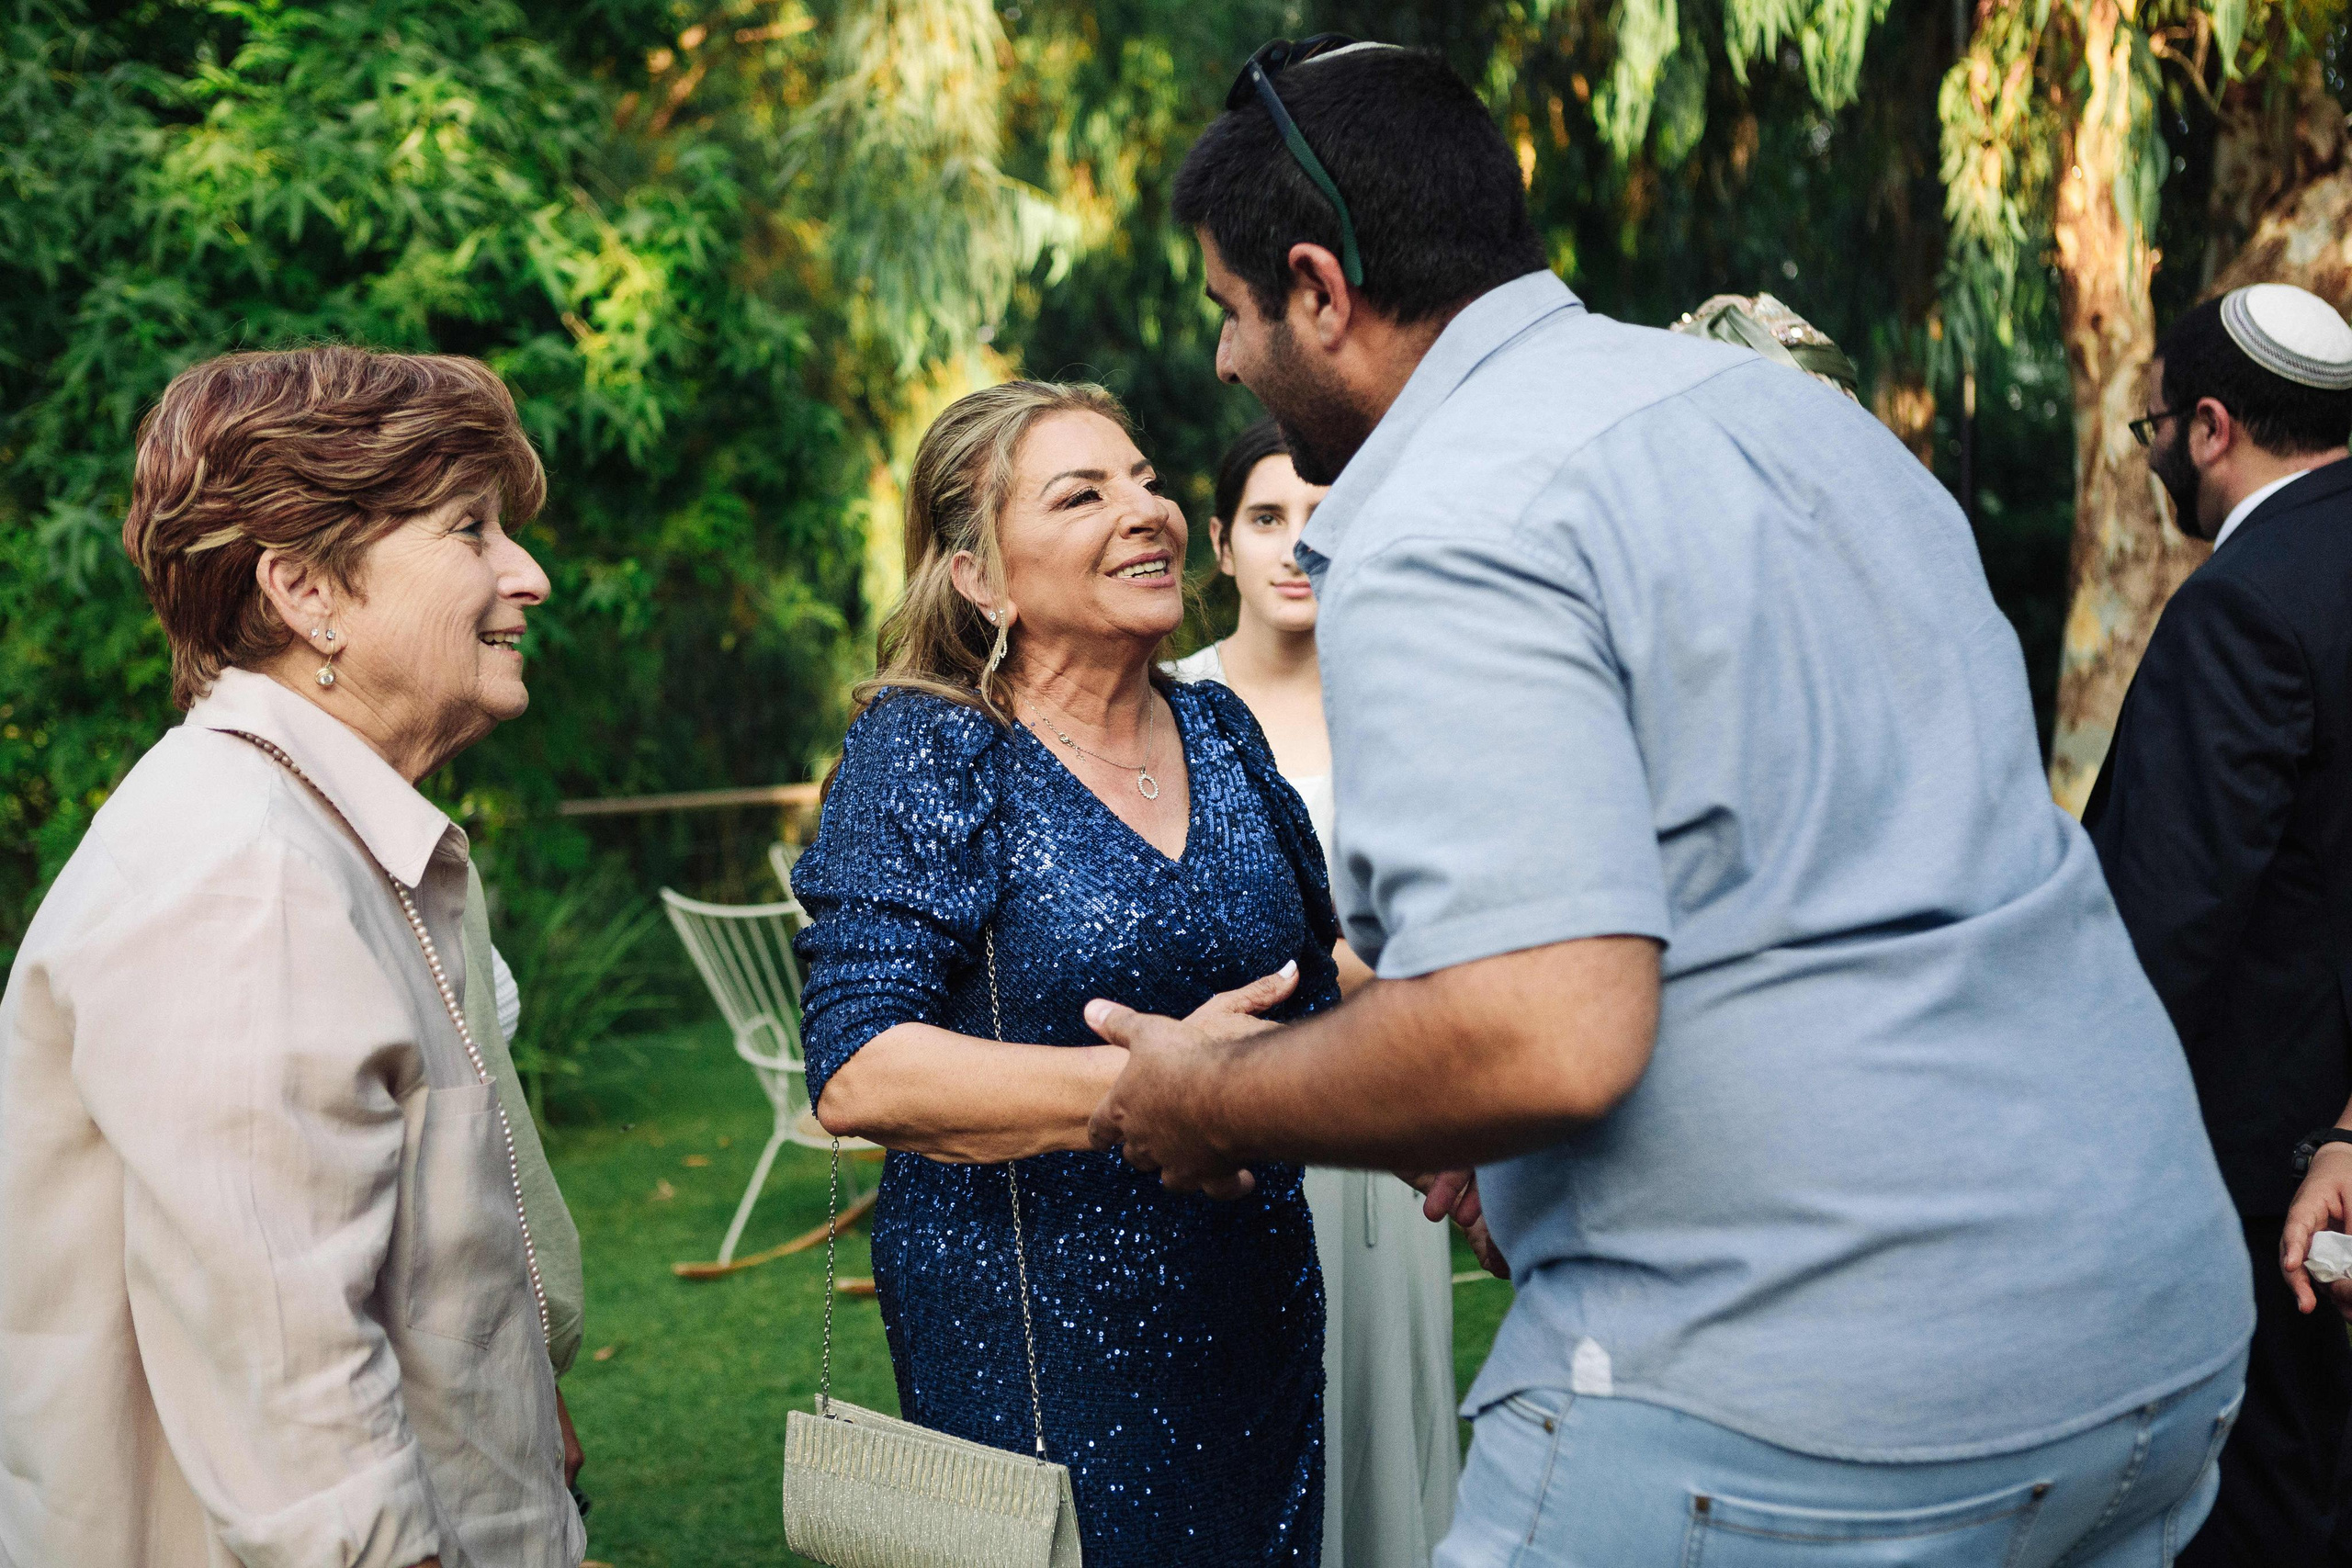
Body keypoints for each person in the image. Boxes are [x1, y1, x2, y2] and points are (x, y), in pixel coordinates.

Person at [1082, 37, 2255, 1565]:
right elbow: (1797, 875)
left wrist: (1202, 1095)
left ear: (1320, 289)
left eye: (1234, 314)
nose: (1230, 361)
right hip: (2147, 1331)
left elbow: (1542, 1030)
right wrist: (1488, 1134)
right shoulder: (1797, 421)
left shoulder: (1450, 514)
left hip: (1812, 1399)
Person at [0, 345, 583, 1567]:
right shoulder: (243, 875)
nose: (526, 574)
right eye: (471, 530)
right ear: (308, 589)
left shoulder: (329, 831)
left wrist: (531, 1411)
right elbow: (294, 1394)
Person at [790, 380, 1336, 1566]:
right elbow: (859, 1067)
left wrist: (1454, 1123)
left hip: (1256, 1311)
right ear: (979, 573)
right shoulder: (931, 742)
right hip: (1038, 1344)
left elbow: (1318, 982)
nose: (1146, 510)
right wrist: (1153, 1084)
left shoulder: (1222, 726)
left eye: (1145, 478)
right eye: (1082, 493)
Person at [2083, 283, 2352, 1567]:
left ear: (2208, 425)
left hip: (2256, 1195)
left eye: (2148, 432)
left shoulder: (2242, 607)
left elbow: (2159, 933)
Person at [1171, 418, 1459, 1567]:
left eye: (1325, 515)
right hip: (1232, 1108)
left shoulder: (1407, 698)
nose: (1299, 545)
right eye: (1268, 518)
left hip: (1389, 1113)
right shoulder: (1171, 703)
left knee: (1380, 1394)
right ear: (1221, 542)